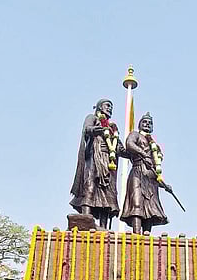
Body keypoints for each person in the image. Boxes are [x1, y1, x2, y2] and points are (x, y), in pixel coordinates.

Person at [70, 98, 127, 229]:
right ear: (100, 107)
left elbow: (119, 147)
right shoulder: (93, 118)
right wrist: (96, 130)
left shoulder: (112, 128)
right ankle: (86, 218)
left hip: (109, 162)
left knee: (107, 192)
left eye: (111, 106)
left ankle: (104, 226)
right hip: (94, 157)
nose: (110, 108)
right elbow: (87, 129)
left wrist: (133, 154)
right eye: (107, 105)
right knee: (90, 185)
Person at [120, 112, 171, 234]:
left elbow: (156, 168)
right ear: (139, 124)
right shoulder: (135, 135)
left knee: (150, 205)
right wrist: (142, 154)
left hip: (151, 178)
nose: (147, 124)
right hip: (138, 172)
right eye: (145, 122)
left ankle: (147, 233)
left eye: (150, 123)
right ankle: (136, 232)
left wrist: (164, 185)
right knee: (137, 202)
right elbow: (129, 144)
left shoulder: (155, 146)